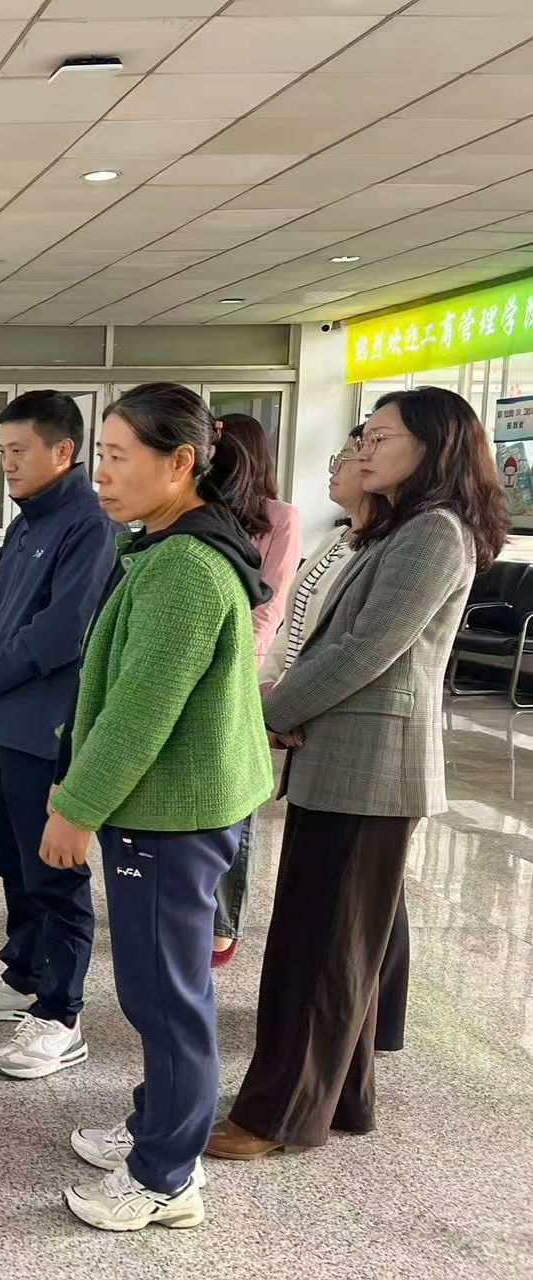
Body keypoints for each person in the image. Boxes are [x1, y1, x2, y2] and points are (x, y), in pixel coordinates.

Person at [210, 386, 509, 1160]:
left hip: (370, 767)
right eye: (364, 436)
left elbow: (363, 651)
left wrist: (267, 713)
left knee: (317, 953)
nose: (364, 449)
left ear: (434, 449)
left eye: (381, 438)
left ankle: (276, 1119)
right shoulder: (392, 530)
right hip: (343, 759)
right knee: (339, 948)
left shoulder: (434, 533)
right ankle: (342, 1098)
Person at [37, 382, 273, 1233]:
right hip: (169, 811)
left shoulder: (183, 568)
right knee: (157, 990)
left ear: (179, 464)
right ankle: (156, 1126)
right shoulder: (169, 546)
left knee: (167, 1000)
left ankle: (167, 1178)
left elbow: (140, 711)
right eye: (99, 456)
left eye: (117, 457)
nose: (101, 474)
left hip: (173, 820)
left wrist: (76, 808)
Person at [0, 390, 118, 1081]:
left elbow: (60, 633)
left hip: (49, 728)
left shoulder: (89, 526)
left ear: (63, 451)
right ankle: (22, 973)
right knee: (13, 862)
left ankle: (60, 1013)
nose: (7, 463)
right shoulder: (26, 522)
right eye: (2, 450)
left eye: (18, 451)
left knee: (53, 872)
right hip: (5, 724)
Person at [260, 424, 408, 1054]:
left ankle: (372, 1024)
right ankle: (364, 1024)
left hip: (350, 736)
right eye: (351, 450)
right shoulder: (337, 539)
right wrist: (268, 696)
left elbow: (356, 651)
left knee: (364, 898)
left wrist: (280, 708)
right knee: (360, 899)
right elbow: (295, 629)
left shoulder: (411, 540)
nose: (344, 464)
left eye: (358, 452)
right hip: (305, 712)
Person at [208, 414, 301, 967]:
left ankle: (223, 923)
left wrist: (237, 665)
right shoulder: (200, 508)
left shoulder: (280, 517)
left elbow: (270, 602)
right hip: (188, 662)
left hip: (237, 669)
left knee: (232, 795)